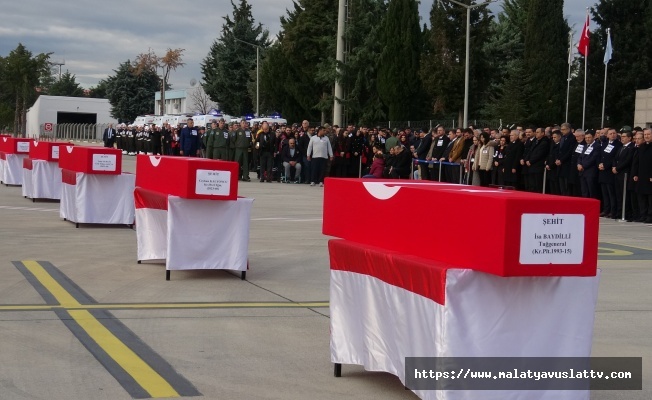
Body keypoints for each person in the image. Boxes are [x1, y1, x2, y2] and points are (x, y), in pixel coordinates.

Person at [598, 128, 622, 218]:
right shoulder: (604, 144)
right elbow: (600, 155)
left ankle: (613, 210)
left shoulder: (618, 145)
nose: (613, 135)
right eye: (611, 133)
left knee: (611, 193)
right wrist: (599, 164)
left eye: (614, 133)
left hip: (610, 171)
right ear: (607, 135)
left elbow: (614, 158)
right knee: (605, 193)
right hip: (602, 172)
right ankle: (606, 209)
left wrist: (606, 165)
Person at [613, 130, 635, 220]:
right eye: (621, 136)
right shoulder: (621, 147)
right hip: (617, 174)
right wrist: (614, 166)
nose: (622, 138)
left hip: (624, 174)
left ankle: (626, 213)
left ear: (629, 138)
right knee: (618, 195)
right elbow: (615, 158)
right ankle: (619, 212)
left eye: (624, 136)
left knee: (624, 195)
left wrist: (617, 168)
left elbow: (628, 160)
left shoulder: (631, 148)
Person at [631, 128, 652, 223]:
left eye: (648, 134)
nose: (646, 136)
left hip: (650, 176)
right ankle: (643, 215)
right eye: (645, 135)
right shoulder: (641, 147)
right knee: (641, 197)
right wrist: (635, 174)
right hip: (641, 176)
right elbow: (637, 162)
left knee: (650, 198)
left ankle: (650, 216)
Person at [577, 130, 601, 199]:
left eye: (589, 137)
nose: (587, 139)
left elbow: (593, 158)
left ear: (593, 137)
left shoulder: (597, 146)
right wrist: (578, 164)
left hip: (591, 172)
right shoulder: (585, 146)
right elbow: (580, 157)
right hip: (582, 172)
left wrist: (583, 166)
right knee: (584, 191)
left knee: (592, 191)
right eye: (586, 137)